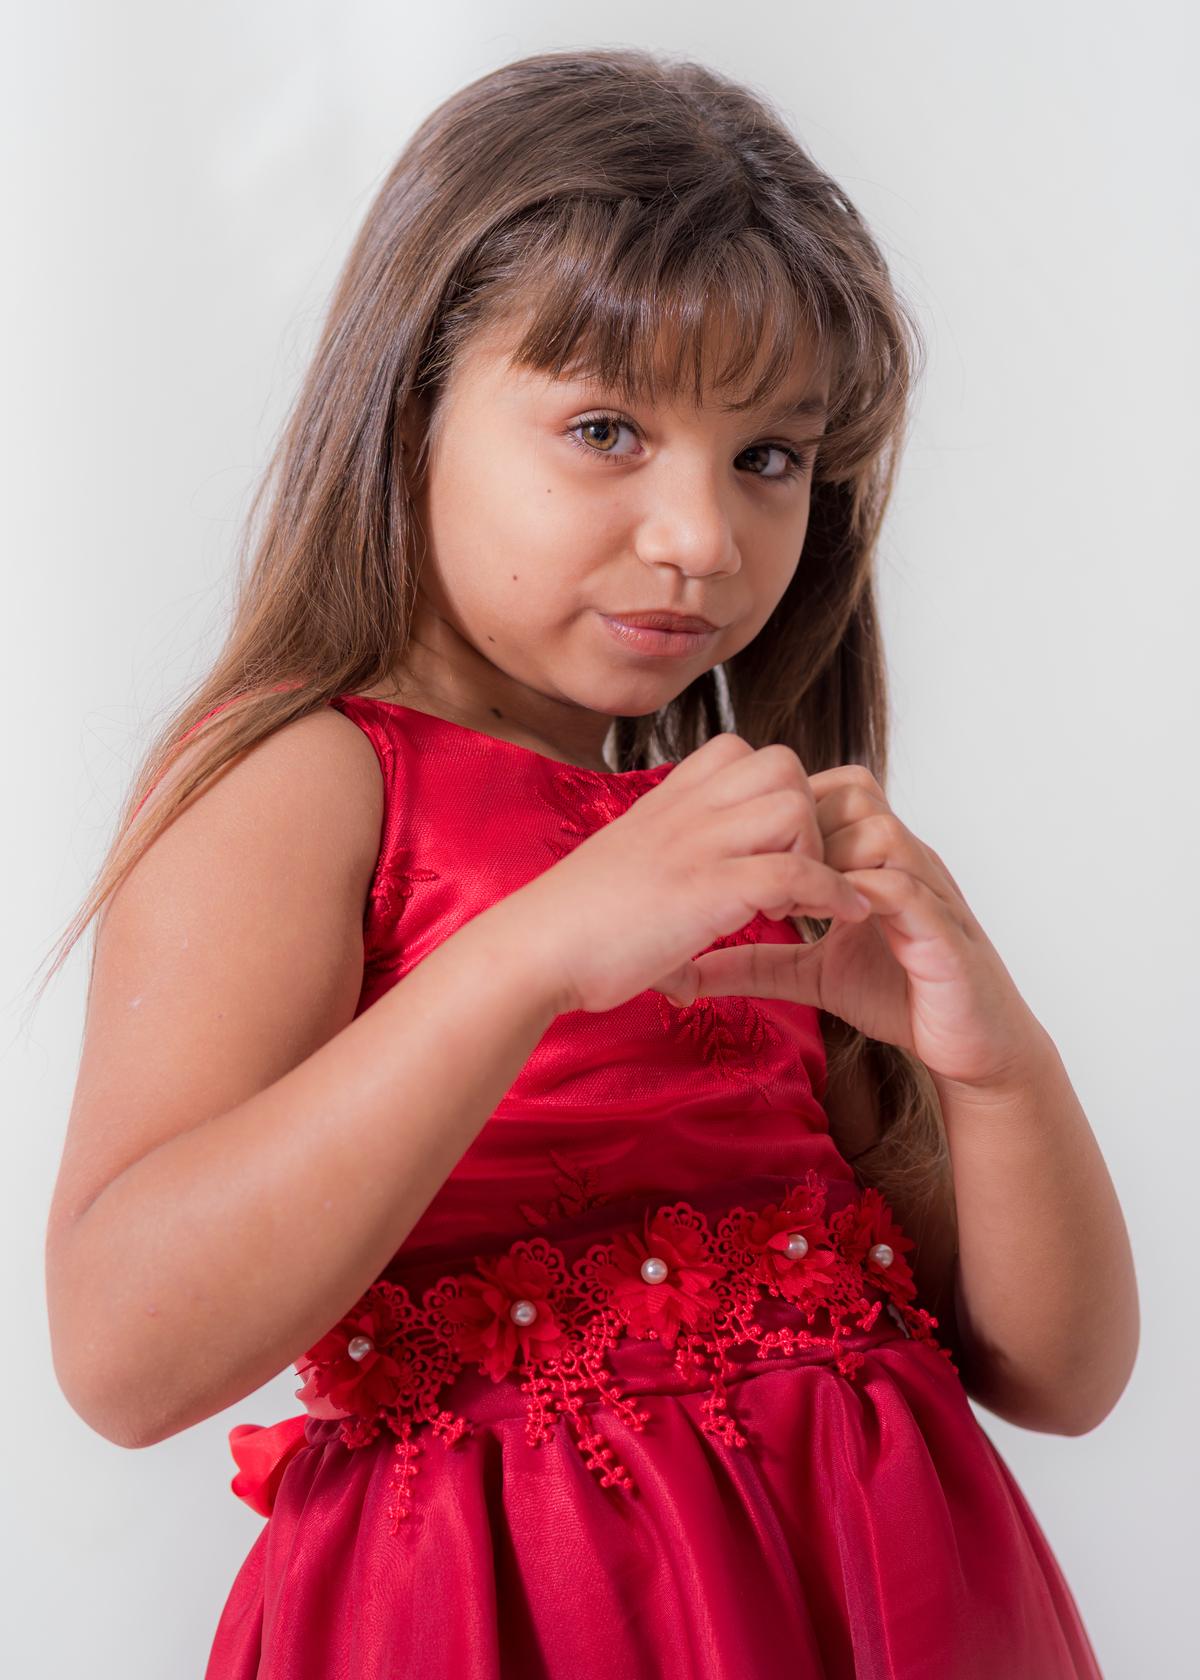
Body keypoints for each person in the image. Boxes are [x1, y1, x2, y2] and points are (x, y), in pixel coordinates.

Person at [46, 49, 1137, 1680]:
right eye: (607, 429)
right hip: (507, 1619)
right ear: (412, 402)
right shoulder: (305, 775)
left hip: (887, 1607)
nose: (704, 535)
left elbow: (1061, 1375)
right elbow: (123, 1355)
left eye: (770, 456)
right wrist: (536, 949)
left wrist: (995, 1068)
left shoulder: (725, 827)